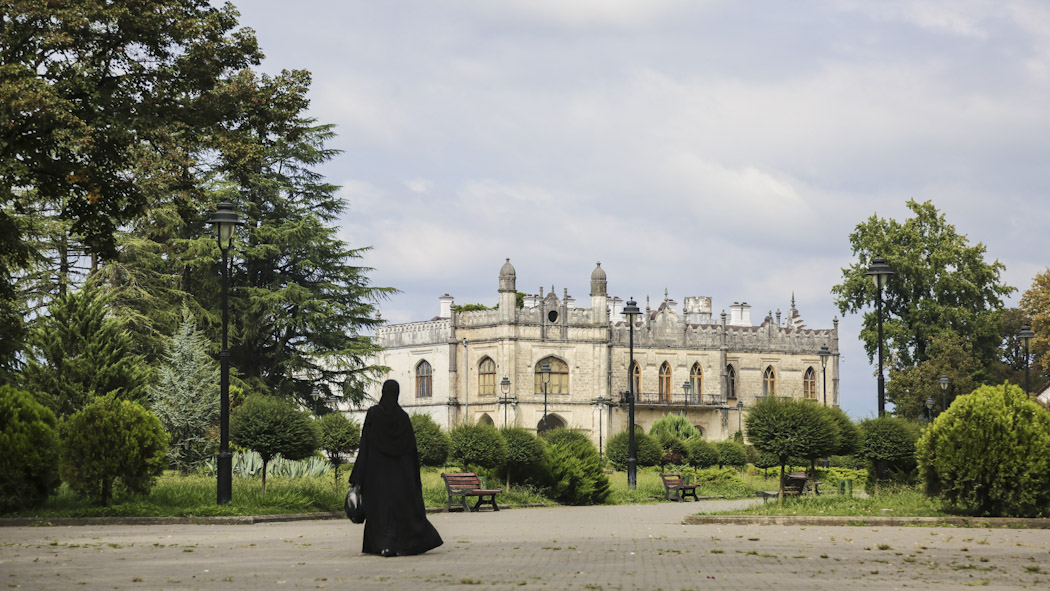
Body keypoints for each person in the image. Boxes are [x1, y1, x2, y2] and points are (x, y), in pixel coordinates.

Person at [349, 379, 443, 556]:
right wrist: (413, 478)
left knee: (379, 511)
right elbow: (411, 452)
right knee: (398, 510)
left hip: (375, 475)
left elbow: (365, 447)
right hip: (400, 476)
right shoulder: (403, 418)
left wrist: (357, 478)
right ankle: (397, 544)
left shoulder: (373, 415)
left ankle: (381, 545)